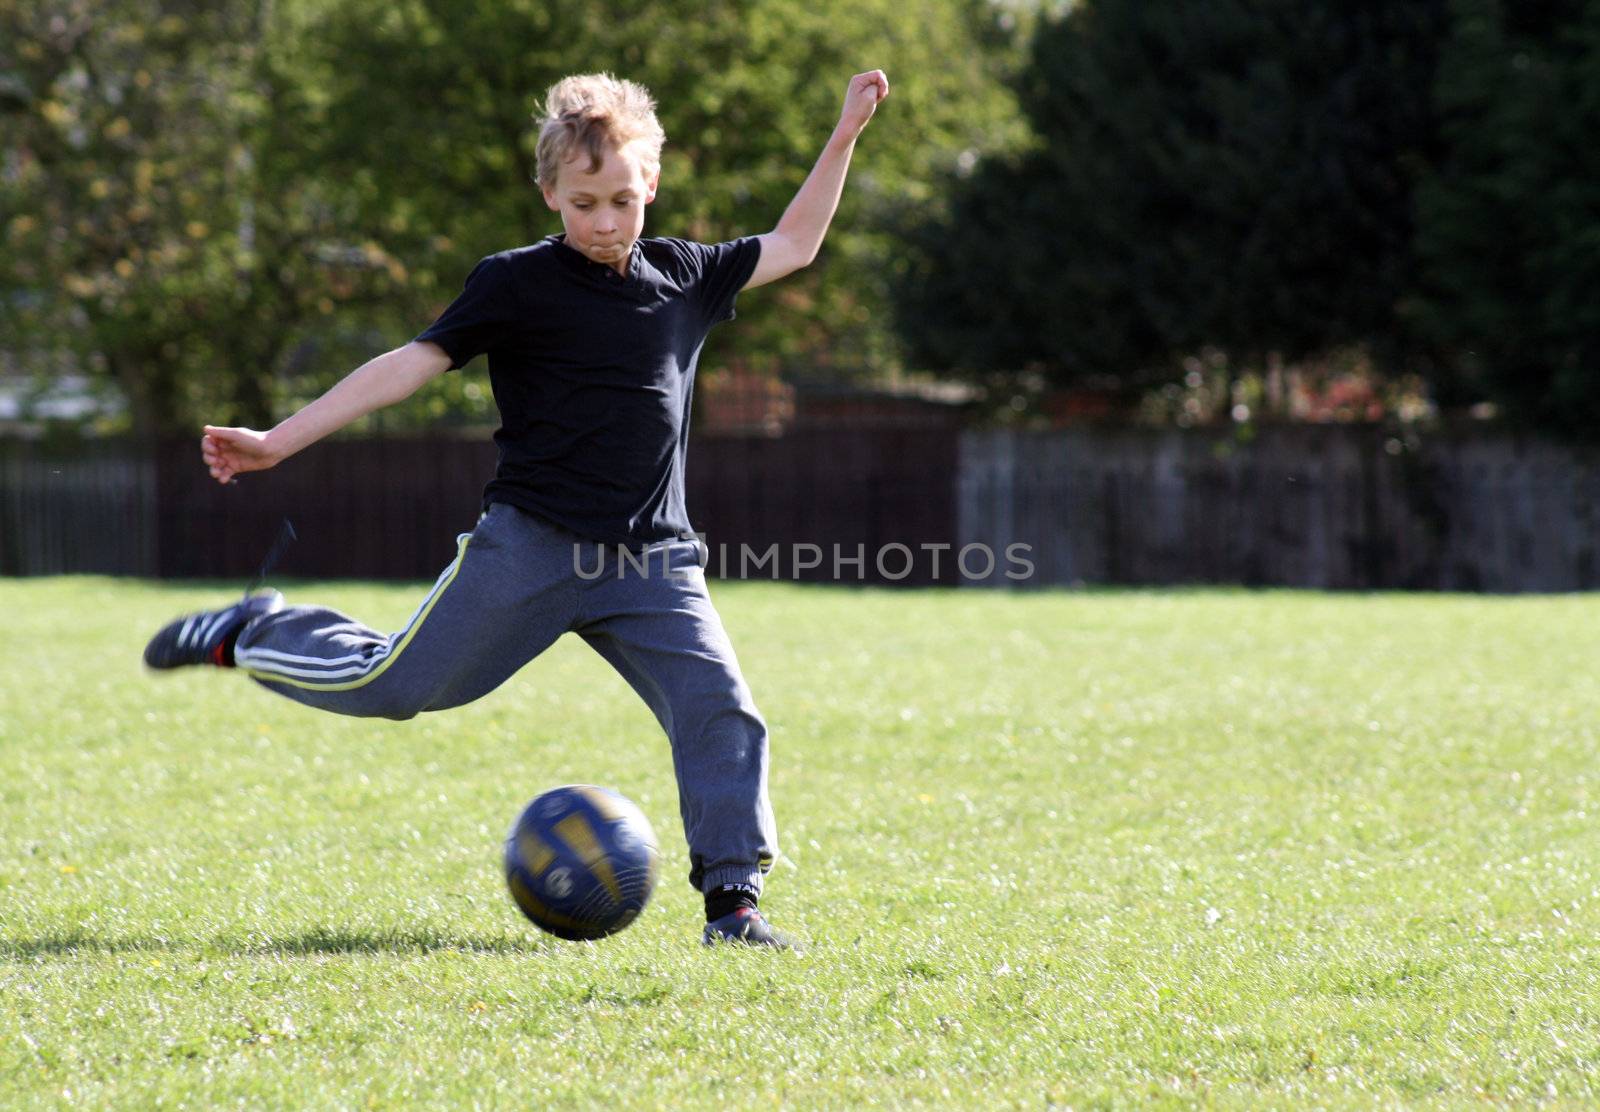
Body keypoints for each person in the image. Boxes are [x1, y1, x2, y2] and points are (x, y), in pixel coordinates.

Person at [143, 70, 888, 949]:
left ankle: (734, 906)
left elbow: (796, 243)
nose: (605, 222)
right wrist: (277, 441)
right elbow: (408, 365)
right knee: (394, 686)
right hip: (529, 549)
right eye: (583, 203)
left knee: (720, 707)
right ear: (550, 194)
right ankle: (254, 634)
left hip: (653, 563)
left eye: (621, 199)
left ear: (650, 183)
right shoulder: (515, 283)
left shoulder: (687, 274)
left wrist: (843, 133)